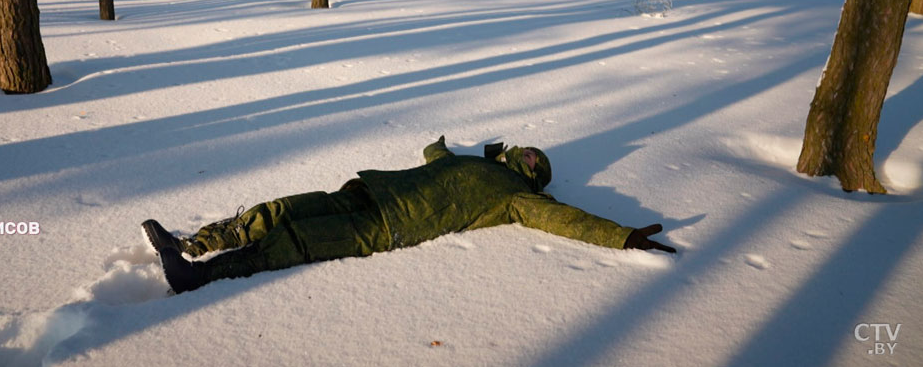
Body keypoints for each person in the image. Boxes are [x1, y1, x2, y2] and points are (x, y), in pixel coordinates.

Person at [143, 136, 676, 294]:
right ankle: (197, 242)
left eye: (538, 160)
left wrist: (623, 236)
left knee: (298, 241)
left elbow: (567, 221)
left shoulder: (519, 199)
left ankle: (200, 276)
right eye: (531, 150)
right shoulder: (481, 162)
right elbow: (434, 157)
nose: (532, 154)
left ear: (535, 177)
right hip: (370, 190)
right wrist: (446, 146)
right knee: (284, 209)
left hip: (387, 225)